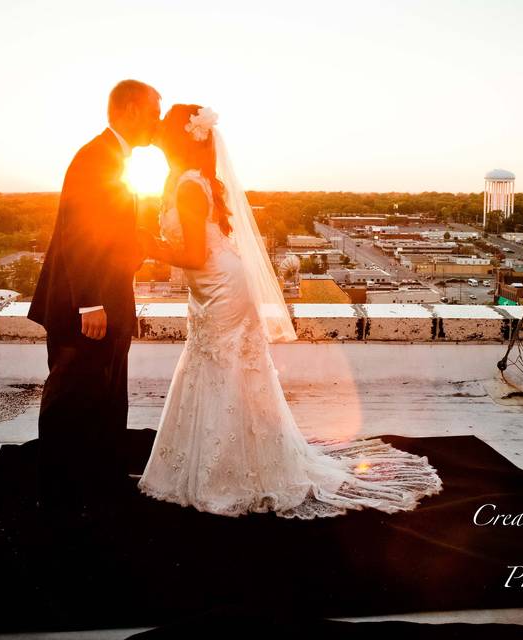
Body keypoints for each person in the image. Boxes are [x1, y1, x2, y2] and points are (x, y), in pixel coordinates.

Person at [135, 104, 443, 519]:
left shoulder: (190, 186)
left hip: (222, 286)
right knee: (212, 368)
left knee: (224, 370)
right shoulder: (187, 180)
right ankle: (216, 464)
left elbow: (190, 252)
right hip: (209, 287)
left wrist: (145, 243)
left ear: (177, 138)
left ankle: (232, 472)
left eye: (162, 128)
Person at [27, 79, 161, 514]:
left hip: (108, 301)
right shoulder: (95, 158)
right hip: (83, 306)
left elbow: (111, 235)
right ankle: (61, 489)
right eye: (155, 112)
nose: (157, 121)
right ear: (134, 109)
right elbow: (78, 234)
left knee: (105, 395)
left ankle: (98, 478)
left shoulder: (115, 160)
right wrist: (90, 301)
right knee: (72, 395)